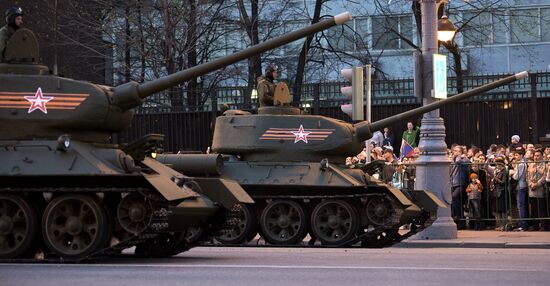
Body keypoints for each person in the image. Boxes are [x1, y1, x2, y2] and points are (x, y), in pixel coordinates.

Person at [450, 144, 470, 229]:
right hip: (452, 183)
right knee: (456, 201)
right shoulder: (451, 160)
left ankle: (459, 217)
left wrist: (458, 157)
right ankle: (459, 221)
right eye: (455, 151)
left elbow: (461, 162)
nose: (457, 153)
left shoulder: (464, 159)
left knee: (454, 197)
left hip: (461, 182)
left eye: (459, 151)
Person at [527, 149, 548, 231]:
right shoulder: (531, 165)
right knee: (533, 209)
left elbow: (544, 177)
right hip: (532, 190)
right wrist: (530, 184)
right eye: (535, 155)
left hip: (540, 190)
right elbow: (527, 176)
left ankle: (543, 225)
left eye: (538, 155)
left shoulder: (545, 165)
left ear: (542, 156)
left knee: (541, 209)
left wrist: (536, 184)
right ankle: (535, 225)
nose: (536, 157)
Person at [510, 148, 528, 231]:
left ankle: (523, 225)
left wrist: (513, 172)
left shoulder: (521, 164)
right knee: (519, 206)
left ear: (521, 155)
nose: (515, 156)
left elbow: (516, 176)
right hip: (519, 187)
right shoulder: (519, 164)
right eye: (515, 155)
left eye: (517, 155)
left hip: (521, 186)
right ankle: (521, 223)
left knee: (521, 206)